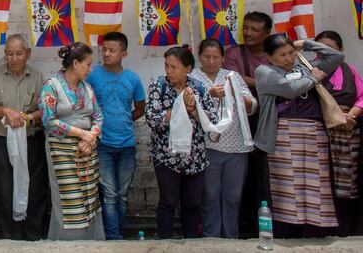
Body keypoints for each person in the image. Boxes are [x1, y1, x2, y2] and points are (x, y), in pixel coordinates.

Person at [254, 35, 344, 237]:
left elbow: (337, 57)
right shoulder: (265, 72)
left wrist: (306, 44)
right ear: (269, 56)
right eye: (282, 55)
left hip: (313, 134)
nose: (288, 58)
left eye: (291, 53)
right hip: (282, 136)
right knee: (286, 187)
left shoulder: (301, 68)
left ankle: (313, 230)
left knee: (314, 184)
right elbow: (290, 90)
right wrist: (313, 78)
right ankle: (286, 233)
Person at [0, 34, 49, 240]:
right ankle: (10, 238)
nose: (14, 58)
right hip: (3, 141)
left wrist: (28, 118)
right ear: (5, 54)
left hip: (32, 140)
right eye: (10, 53)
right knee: (6, 190)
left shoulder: (37, 76)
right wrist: (5, 111)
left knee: (35, 190)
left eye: (19, 53)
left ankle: (34, 236)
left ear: (27, 54)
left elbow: (45, 109)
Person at [145, 45, 218, 239]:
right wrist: (178, 108)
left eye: (174, 67)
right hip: (167, 156)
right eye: (167, 66)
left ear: (188, 68)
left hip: (194, 157)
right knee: (168, 201)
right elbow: (152, 119)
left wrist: (193, 109)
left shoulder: (198, 88)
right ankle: (165, 242)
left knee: (193, 202)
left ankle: (192, 241)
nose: (169, 71)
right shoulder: (158, 86)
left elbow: (212, 121)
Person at [190, 39, 257, 238]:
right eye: (206, 57)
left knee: (233, 197)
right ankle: (212, 238)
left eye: (215, 57)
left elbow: (252, 106)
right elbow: (186, 105)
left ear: (223, 58)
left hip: (236, 146)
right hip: (207, 146)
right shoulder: (194, 77)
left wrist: (236, 95)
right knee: (210, 196)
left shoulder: (232, 76)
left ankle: (231, 238)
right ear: (199, 57)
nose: (211, 61)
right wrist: (208, 94)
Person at [38, 42, 104, 240]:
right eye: (88, 64)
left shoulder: (87, 88)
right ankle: (67, 244)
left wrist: (91, 137)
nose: (90, 69)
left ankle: (89, 241)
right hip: (61, 151)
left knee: (89, 196)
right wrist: (80, 133)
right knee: (68, 199)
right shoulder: (51, 87)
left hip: (86, 150)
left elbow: (98, 116)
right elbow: (49, 121)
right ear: (75, 63)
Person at [85, 31, 145, 240]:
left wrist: (126, 120)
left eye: (112, 50)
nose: (107, 54)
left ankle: (120, 233)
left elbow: (140, 107)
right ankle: (113, 238)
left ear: (124, 53)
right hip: (102, 144)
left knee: (122, 194)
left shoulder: (133, 78)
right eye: (104, 50)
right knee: (109, 194)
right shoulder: (92, 76)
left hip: (127, 144)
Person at [222, 11, 272, 236]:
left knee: (266, 174)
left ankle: (264, 221)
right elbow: (233, 80)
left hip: (269, 120)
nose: (248, 33)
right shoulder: (234, 53)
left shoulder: (272, 52)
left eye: (255, 29)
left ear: (267, 33)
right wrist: (272, 81)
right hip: (242, 122)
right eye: (246, 27)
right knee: (243, 175)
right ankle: (245, 224)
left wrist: (257, 81)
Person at [315, 30, 363, 236]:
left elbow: (361, 96)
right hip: (322, 132)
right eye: (321, 49)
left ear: (341, 51)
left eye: (331, 50)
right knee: (323, 181)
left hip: (348, 132)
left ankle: (347, 229)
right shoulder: (310, 71)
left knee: (347, 183)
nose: (326, 54)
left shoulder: (350, 70)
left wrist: (350, 114)